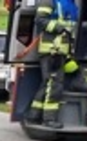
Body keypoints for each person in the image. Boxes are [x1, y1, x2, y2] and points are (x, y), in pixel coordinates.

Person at [23, 0, 79, 128]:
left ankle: (33, 115)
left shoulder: (71, 4)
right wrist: (60, 28)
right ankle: (49, 119)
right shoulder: (49, 1)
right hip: (52, 50)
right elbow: (40, 20)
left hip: (62, 51)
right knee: (54, 85)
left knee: (48, 83)